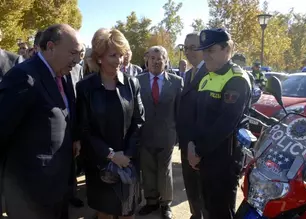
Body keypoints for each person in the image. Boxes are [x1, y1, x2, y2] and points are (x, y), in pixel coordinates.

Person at [0, 24, 83, 219]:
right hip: (30, 195)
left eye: (79, 54)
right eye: (72, 53)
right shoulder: (24, 77)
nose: (76, 59)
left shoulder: (62, 76)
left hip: (58, 186)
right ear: (51, 47)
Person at [76, 28, 145, 219]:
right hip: (100, 164)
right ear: (99, 58)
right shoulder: (85, 87)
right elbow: (85, 129)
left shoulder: (132, 84)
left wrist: (127, 155)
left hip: (128, 163)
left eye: (121, 55)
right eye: (113, 55)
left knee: (127, 211)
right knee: (104, 212)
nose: (119, 60)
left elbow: (139, 122)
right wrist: (111, 155)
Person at [188, 28, 251, 219]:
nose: (205, 56)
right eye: (204, 51)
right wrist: (192, 144)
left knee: (221, 211)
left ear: (227, 49)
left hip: (224, 160)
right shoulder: (207, 77)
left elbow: (225, 124)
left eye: (211, 51)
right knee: (208, 207)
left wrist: (197, 151)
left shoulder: (236, 79)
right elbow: (197, 117)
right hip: (205, 157)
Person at [138, 46, 183, 219]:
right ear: (147, 60)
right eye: (152, 58)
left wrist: (178, 135)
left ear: (166, 61)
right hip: (145, 134)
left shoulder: (177, 81)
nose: (156, 61)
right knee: (147, 169)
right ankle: (151, 202)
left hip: (167, 135)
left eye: (160, 58)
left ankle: (165, 204)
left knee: (165, 170)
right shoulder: (137, 81)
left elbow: (179, 110)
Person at [176, 32, 208, 219]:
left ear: (204, 48)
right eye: (185, 48)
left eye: (193, 48)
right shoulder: (188, 75)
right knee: (191, 187)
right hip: (185, 144)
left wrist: (196, 145)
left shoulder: (211, 73)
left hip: (199, 147)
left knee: (203, 189)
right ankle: (195, 215)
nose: (188, 52)